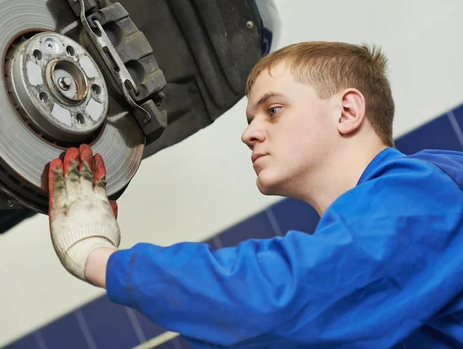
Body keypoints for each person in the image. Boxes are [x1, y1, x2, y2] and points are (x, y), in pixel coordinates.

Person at [42, 41, 463, 348]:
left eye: (273, 110)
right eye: (250, 118)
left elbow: (279, 298)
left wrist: (98, 259)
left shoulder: (422, 195)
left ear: (347, 111)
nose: (248, 134)